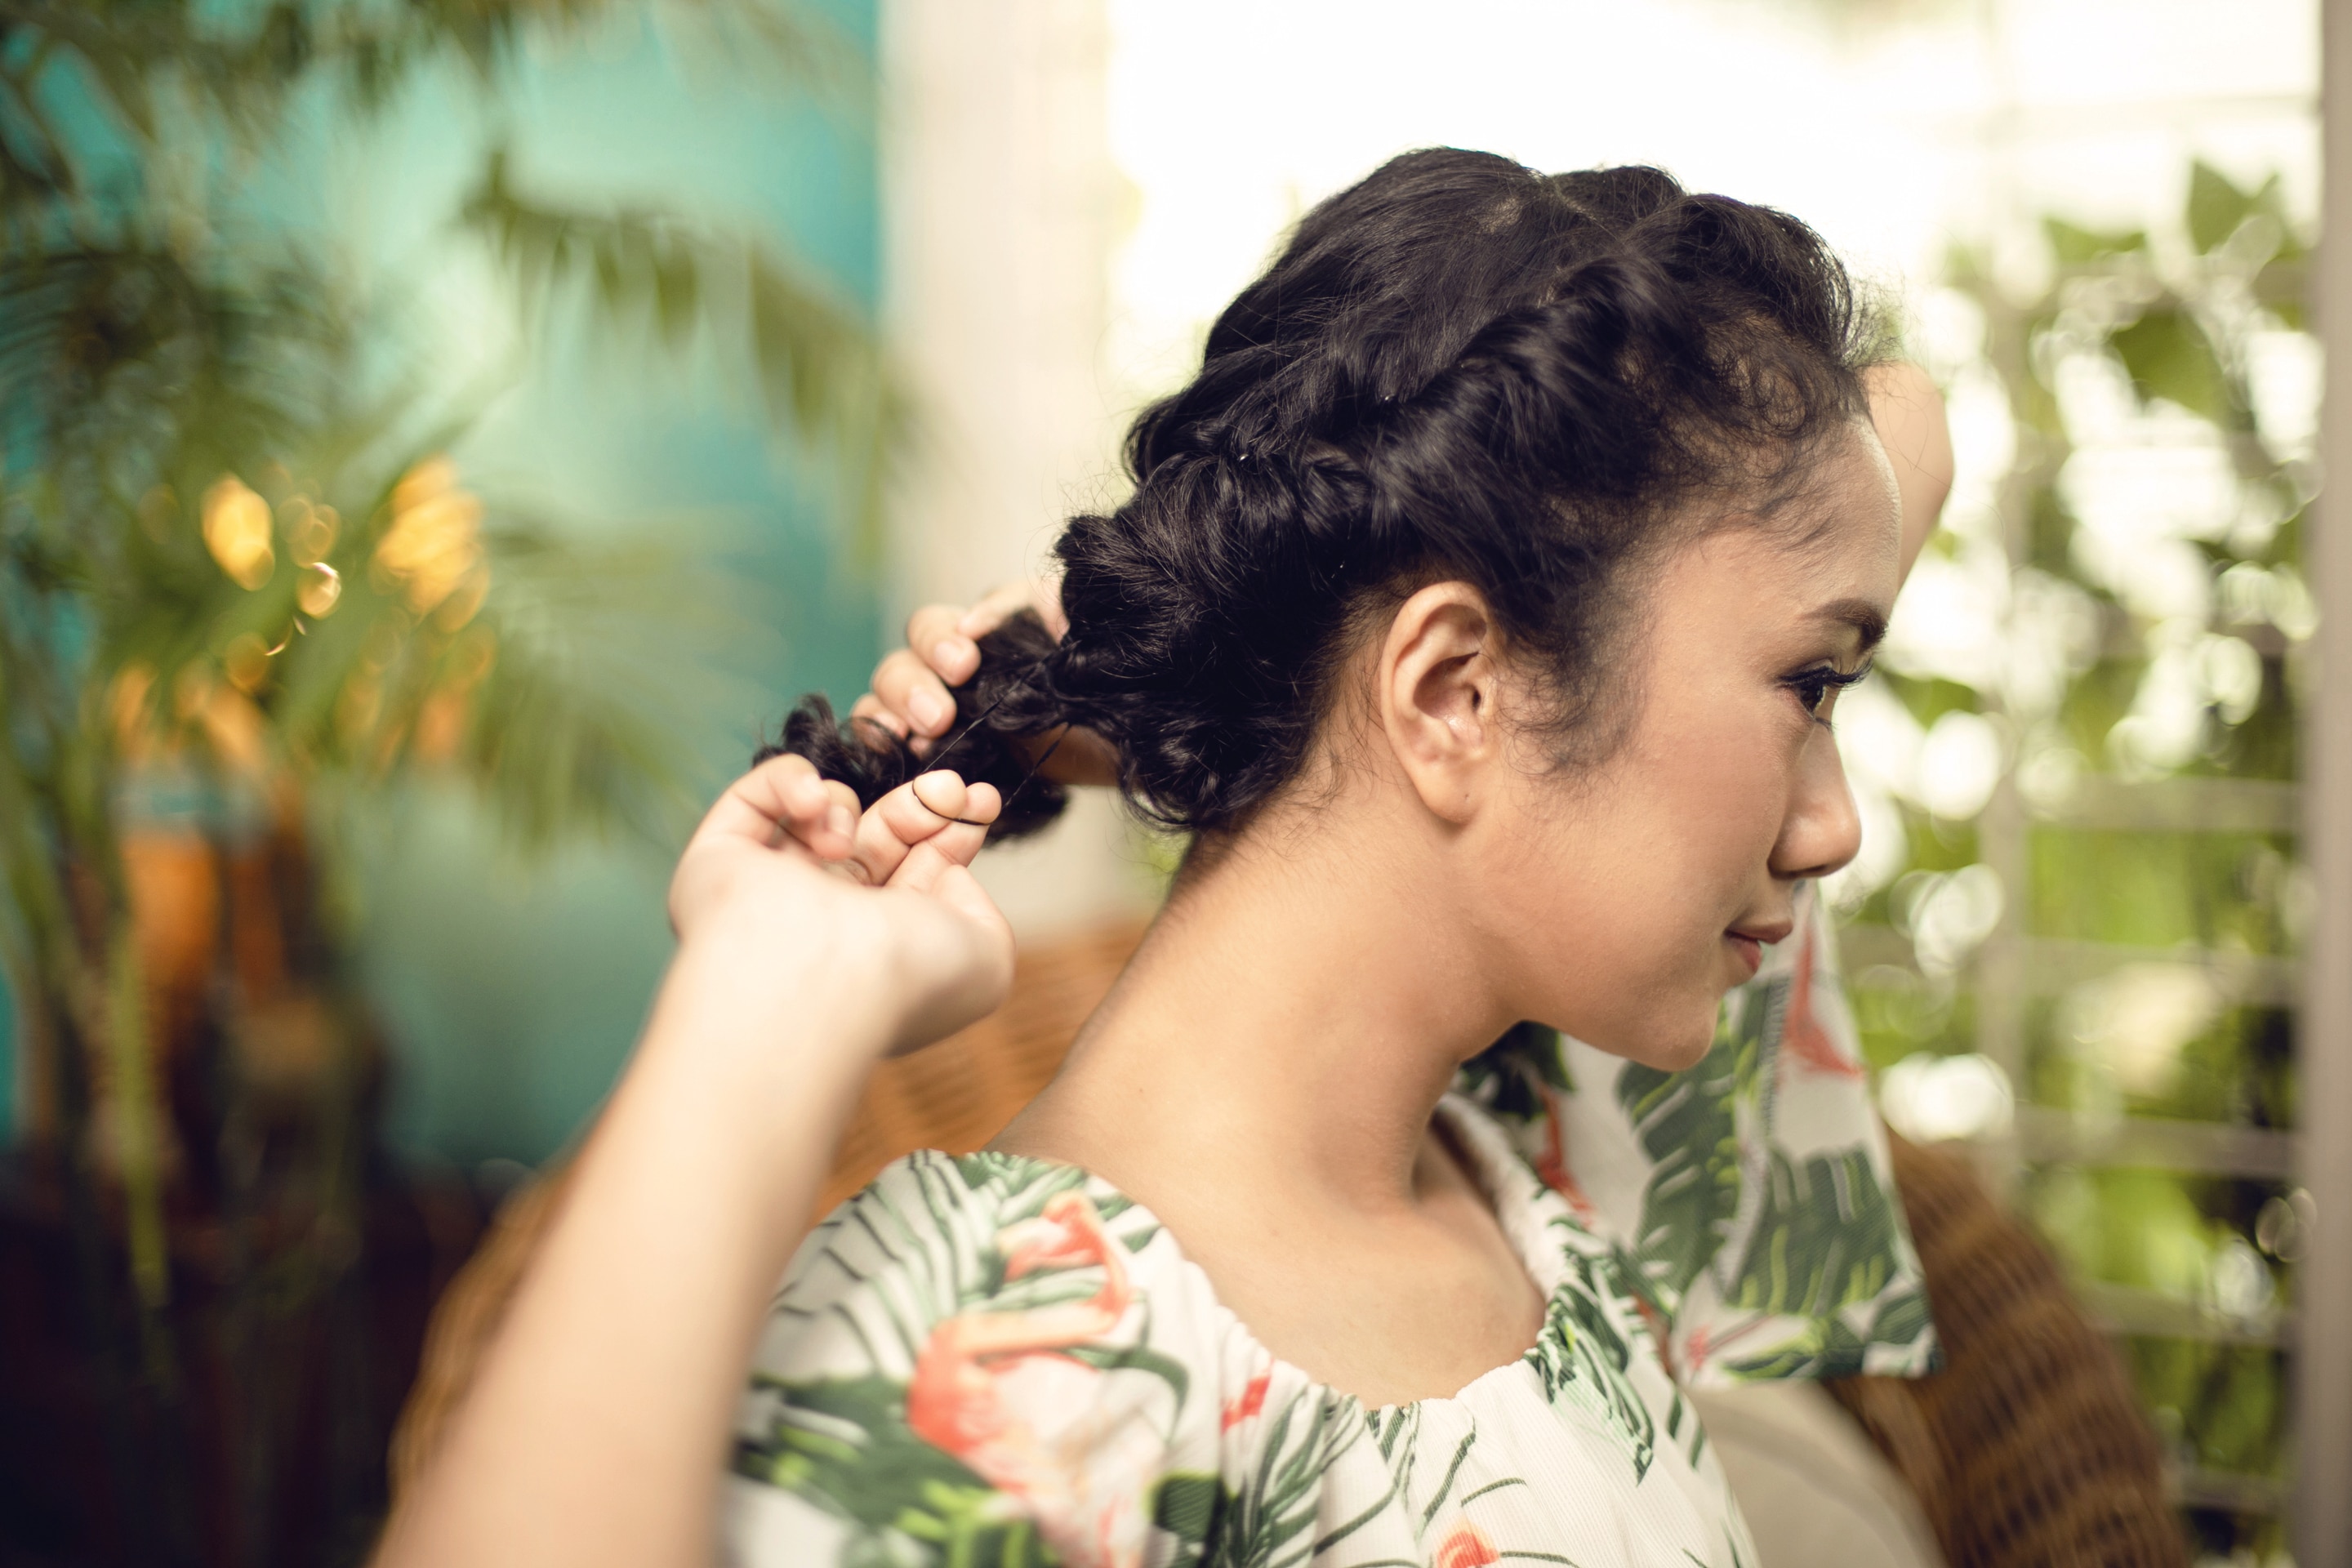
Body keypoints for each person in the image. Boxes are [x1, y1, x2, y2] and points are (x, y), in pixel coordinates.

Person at [372, 151, 1954, 1568]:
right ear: (1455, 690)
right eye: (1810, 691)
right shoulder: (1014, 1367)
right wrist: (768, 983)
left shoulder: (1529, 1159)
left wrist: (1212, 678)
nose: (1833, 827)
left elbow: (1887, 437)